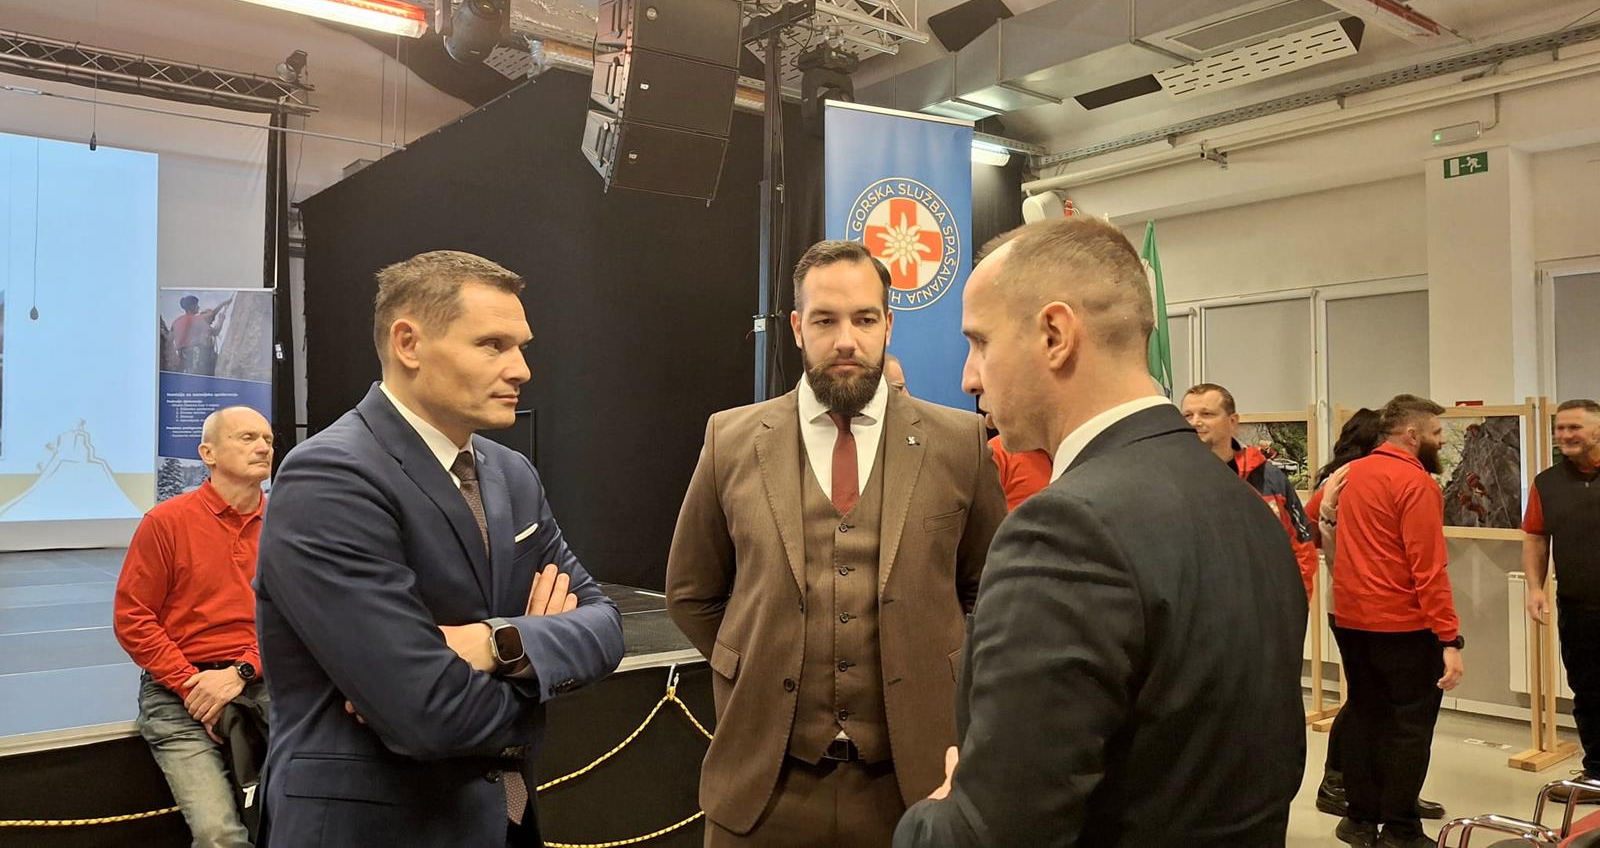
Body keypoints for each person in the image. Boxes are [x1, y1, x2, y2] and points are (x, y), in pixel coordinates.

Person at [893, 217, 1307, 847]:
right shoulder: (1248, 508)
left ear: (1054, 335)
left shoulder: (1065, 530)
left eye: (979, 342)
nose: (968, 378)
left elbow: (992, 835)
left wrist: (940, 811)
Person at [255, 250, 624, 848]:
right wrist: (541, 667)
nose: (522, 369)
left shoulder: (511, 473)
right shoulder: (331, 475)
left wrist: (495, 643)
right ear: (409, 343)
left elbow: (605, 627)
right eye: (493, 345)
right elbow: (425, 714)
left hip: (504, 824)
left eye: (520, 346)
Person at [667, 239, 1006, 847]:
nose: (846, 340)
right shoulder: (731, 439)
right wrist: (751, 662)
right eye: (825, 320)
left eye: (864, 319)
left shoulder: (961, 442)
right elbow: (693, 592)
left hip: (914, 786)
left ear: (888, 325)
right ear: (798, 328)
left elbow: (990, 593)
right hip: (763, 790)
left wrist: (944, 674)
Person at [114, 406, 275, 848]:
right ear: (208, 453)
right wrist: (194, 688)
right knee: (217, 834)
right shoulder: (165, 523)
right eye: (247, 438)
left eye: (268, 439)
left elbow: (299, 616)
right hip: (178, 694)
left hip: (262, 682)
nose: (263, 447)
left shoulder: (286, 526)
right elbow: (133, 619)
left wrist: (242, 671)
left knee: (298, 816)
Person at [1330, 394, 1464, 848]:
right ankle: (1400, 829)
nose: (1440, 441)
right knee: (1410, 728)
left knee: (1365, 716)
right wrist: (1449, 638)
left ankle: (1359, 820)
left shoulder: (1351, 474)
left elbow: (1314, 521)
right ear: (1412, 435)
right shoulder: (1416, 483)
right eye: (1436, 433)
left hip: (1350, 620)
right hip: (1403, 626)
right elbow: (1428, 569)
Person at [1306, 412, 1449, 822]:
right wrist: (1448, 635)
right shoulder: (1359, 478)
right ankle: (1361, 796)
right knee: (1382, 713)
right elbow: (1425, 565)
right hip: (1378, 611)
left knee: (1372, 709)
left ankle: (1378, 804)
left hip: (1354, 607)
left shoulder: (1362, 477)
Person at [1523, 398, 1600, 802]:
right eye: (1560, 428)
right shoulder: (1546, 483)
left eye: (1575, 427)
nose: (1565, 435)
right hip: (1578, 607)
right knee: (1587, 691)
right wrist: (1535, 588)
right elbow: (1536, 537)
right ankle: (1597, 774)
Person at [1180, 383, 1318, 600]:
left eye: (1207, 414)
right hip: (1198, 608)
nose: (1195, 422)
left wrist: (1295, 605)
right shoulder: (1172, 480)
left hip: (1264, 607)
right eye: (1187, 415)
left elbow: (1301, 547)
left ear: (1233, 421)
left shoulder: (1268, 478)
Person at [173, 295, 232, 376]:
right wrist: (221, 319)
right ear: (192, 307)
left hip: (183, 358)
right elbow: (215, 330)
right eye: (197, 305)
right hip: (198, 357)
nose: (198, 307)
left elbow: (212, 314)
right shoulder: (196, 320)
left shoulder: (177, 322)